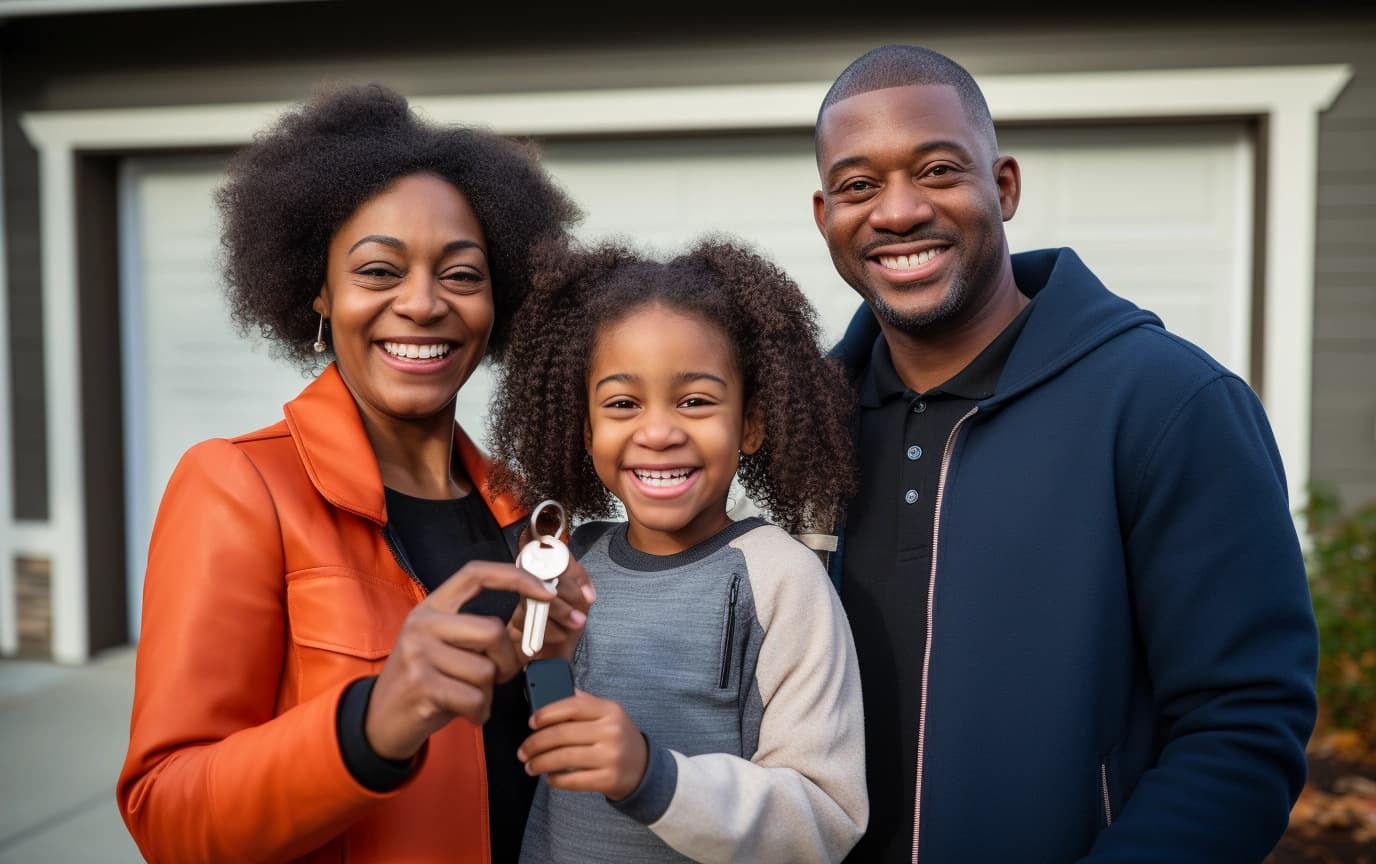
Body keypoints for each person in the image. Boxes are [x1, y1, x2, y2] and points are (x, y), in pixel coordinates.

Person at [810, 44, 1319, 863]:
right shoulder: (804, 423)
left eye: (938, 171)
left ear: (1003, 186)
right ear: (824, 212)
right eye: (858, 185)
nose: (897, 212)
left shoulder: (1169, 404)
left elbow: (1244, 724)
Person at [116, 82, 594, 864]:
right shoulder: (237, 488)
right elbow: (165, 811)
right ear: (320, 291)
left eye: (462, 275)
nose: (423, 303)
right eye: (378, 271)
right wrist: (371, 723)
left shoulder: (523, 511)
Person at [485, 236, 869, 863]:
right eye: (622, 403)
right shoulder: (570, 560)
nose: (658, 431)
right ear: (585, 430)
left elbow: (826, 813)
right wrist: (528, 657)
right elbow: (532, 725)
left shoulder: (780, 579)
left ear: (750, 424)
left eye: (695, 401)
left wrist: (651, 776)